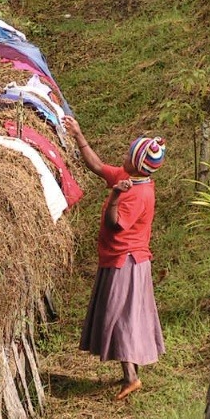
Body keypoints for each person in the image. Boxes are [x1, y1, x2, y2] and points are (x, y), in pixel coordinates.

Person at [63, 115, 166, 400]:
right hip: (119, 259)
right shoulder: (128, 178)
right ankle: (130, 374)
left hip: (127, 262)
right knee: (122, 315)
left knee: (119, 317)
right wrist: (78, 135)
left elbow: (114, 223)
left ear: (137, 162)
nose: (123, 156)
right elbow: (97, 167)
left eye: (128, 154)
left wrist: (116, 197)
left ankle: (131, 377)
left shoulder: (137, 193)